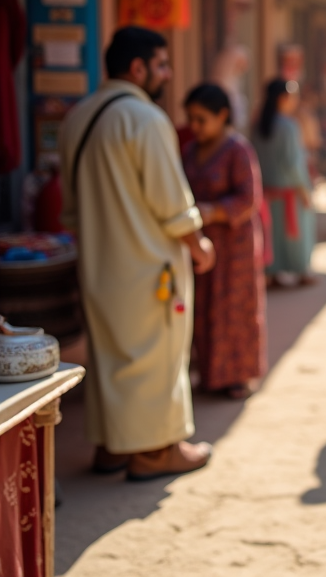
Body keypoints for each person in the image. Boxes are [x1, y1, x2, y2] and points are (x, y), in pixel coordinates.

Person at [58, 26, 215, 480]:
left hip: (96, 266)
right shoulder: (143, 118)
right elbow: (172, 203)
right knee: (154, 358)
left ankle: (113, 446)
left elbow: (70, 208)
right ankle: (152, 452)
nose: (167, 75)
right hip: (149, 267)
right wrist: (198, 245)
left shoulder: (77, 118)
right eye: (162, 65)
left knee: (110, 356)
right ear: (138, 67)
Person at [182, 84, 267, 399]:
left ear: (222, 116)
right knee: (203, 306)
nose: (195, 126)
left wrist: (213, 211)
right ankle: (208, 374)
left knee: (234, 308)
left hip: (235, 245)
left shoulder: (238, 149)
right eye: (191, 119)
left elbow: (249, 199)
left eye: (201, 119)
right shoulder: (190, 151)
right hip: (200, 242)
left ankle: (237, 376)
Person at [251, 78, 316, 287]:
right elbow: (293, 164)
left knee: (272, 234)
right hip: (290, 191)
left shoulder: (256, 126)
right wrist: (304, 189)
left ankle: (273, 273)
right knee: (295, 233)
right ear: (283, 98)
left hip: (267, 192)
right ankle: (301, 270)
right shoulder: (288, 126)